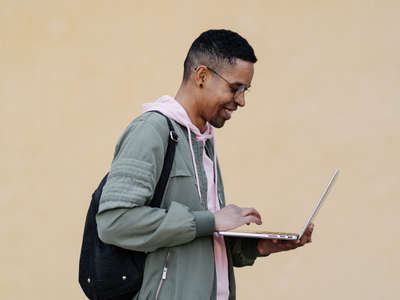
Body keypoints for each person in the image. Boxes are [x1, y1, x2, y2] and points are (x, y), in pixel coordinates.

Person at [96, 29, 314, 300]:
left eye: (246, 90)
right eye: (235, 88)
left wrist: (259, 246)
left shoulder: (203, 140)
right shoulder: (151, 131)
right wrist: (211, 221)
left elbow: (194, 241)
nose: (242, 100)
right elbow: (114, 221)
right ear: (202, 76)